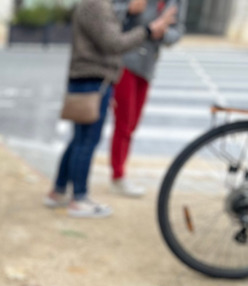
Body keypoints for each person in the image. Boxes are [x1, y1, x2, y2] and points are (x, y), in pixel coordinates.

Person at [44, 0, 176, 218]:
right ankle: (79, 197)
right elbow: (113, 43)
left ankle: (58, 191)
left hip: (88, 77)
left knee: (79, 139)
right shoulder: (96, 4)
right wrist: (147, 31)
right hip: (93, 78)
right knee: (87, 140)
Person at [109, 0, 187, 197]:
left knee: (133, 123)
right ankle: (117, 175)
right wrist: (129, 9)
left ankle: (119, 172)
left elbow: (177, 31)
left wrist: (162, 32)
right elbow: (107, 13)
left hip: (147, 66)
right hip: (124, 60)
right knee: (124, 123)